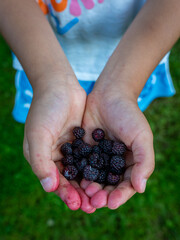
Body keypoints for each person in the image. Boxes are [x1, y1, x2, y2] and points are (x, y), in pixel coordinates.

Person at [0, 0, 179, 214]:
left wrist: (122, 89)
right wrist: (49, 82)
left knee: (123, 113)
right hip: (41, 54)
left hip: (134, 60)